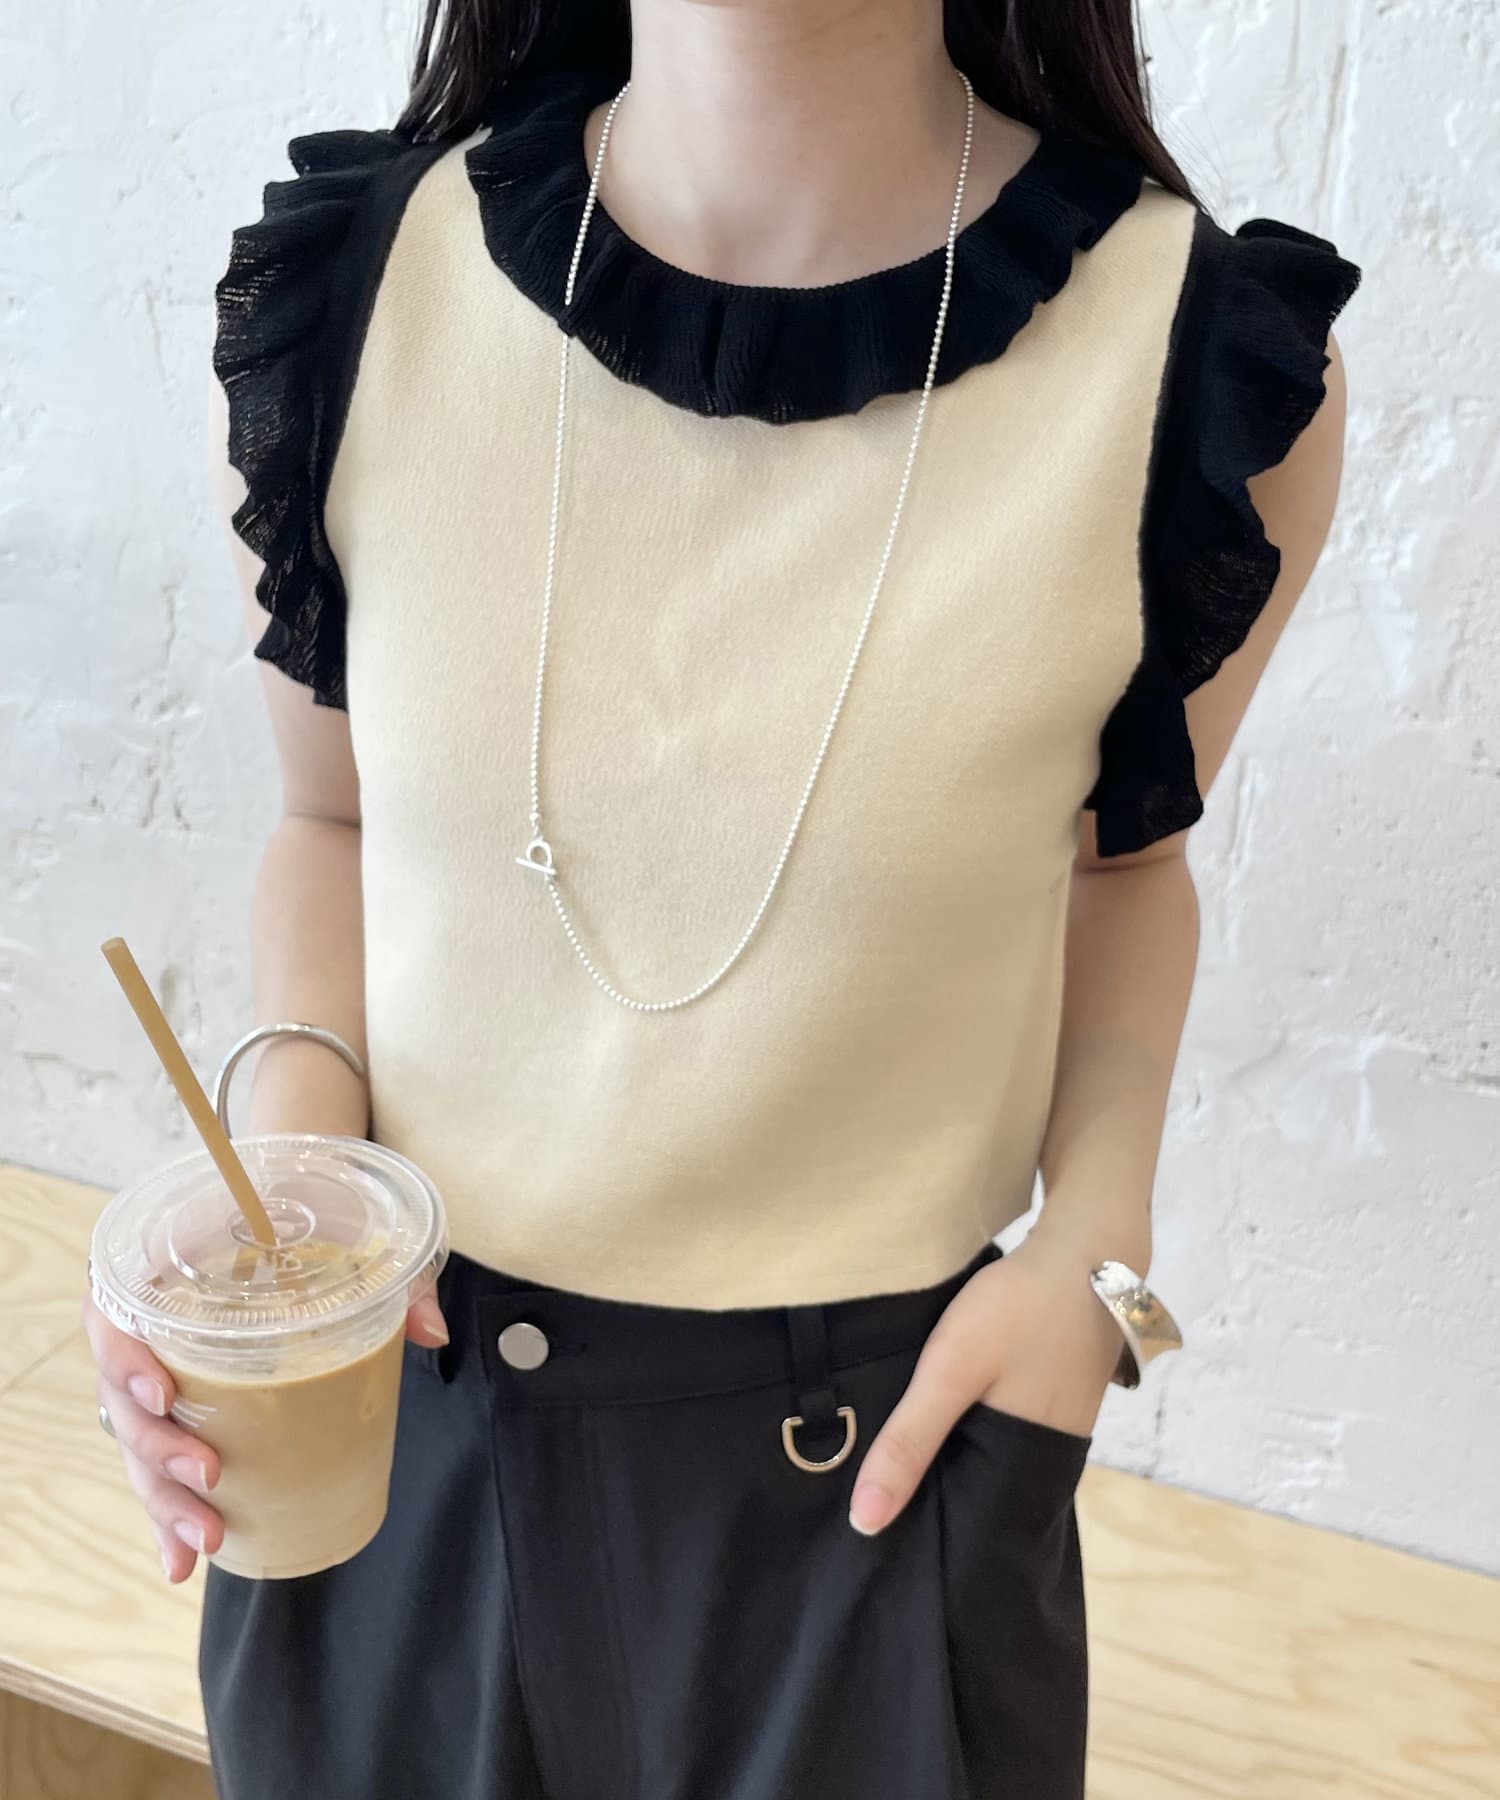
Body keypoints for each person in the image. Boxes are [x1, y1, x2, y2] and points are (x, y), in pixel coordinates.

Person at [83, 1, 1361, 1794]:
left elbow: (1130, 870)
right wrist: (291, 1207)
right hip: (392, 1448)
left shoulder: (1195, 360)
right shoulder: (354, 292)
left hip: (882, 1498)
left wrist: (1096, 1259)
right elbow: (332, 821)